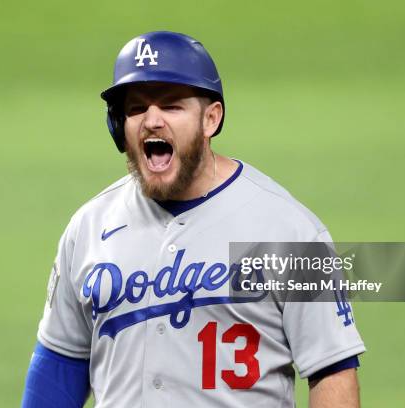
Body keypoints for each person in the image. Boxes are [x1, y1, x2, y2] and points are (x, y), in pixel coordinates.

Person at [21, 31, 365, 408]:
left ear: (210, 119)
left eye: (171, 106)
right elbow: (59, 365)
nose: (151, 120)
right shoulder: (88, 227)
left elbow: (332, 371)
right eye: (136, 109)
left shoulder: (290, 230)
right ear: (118, 127)